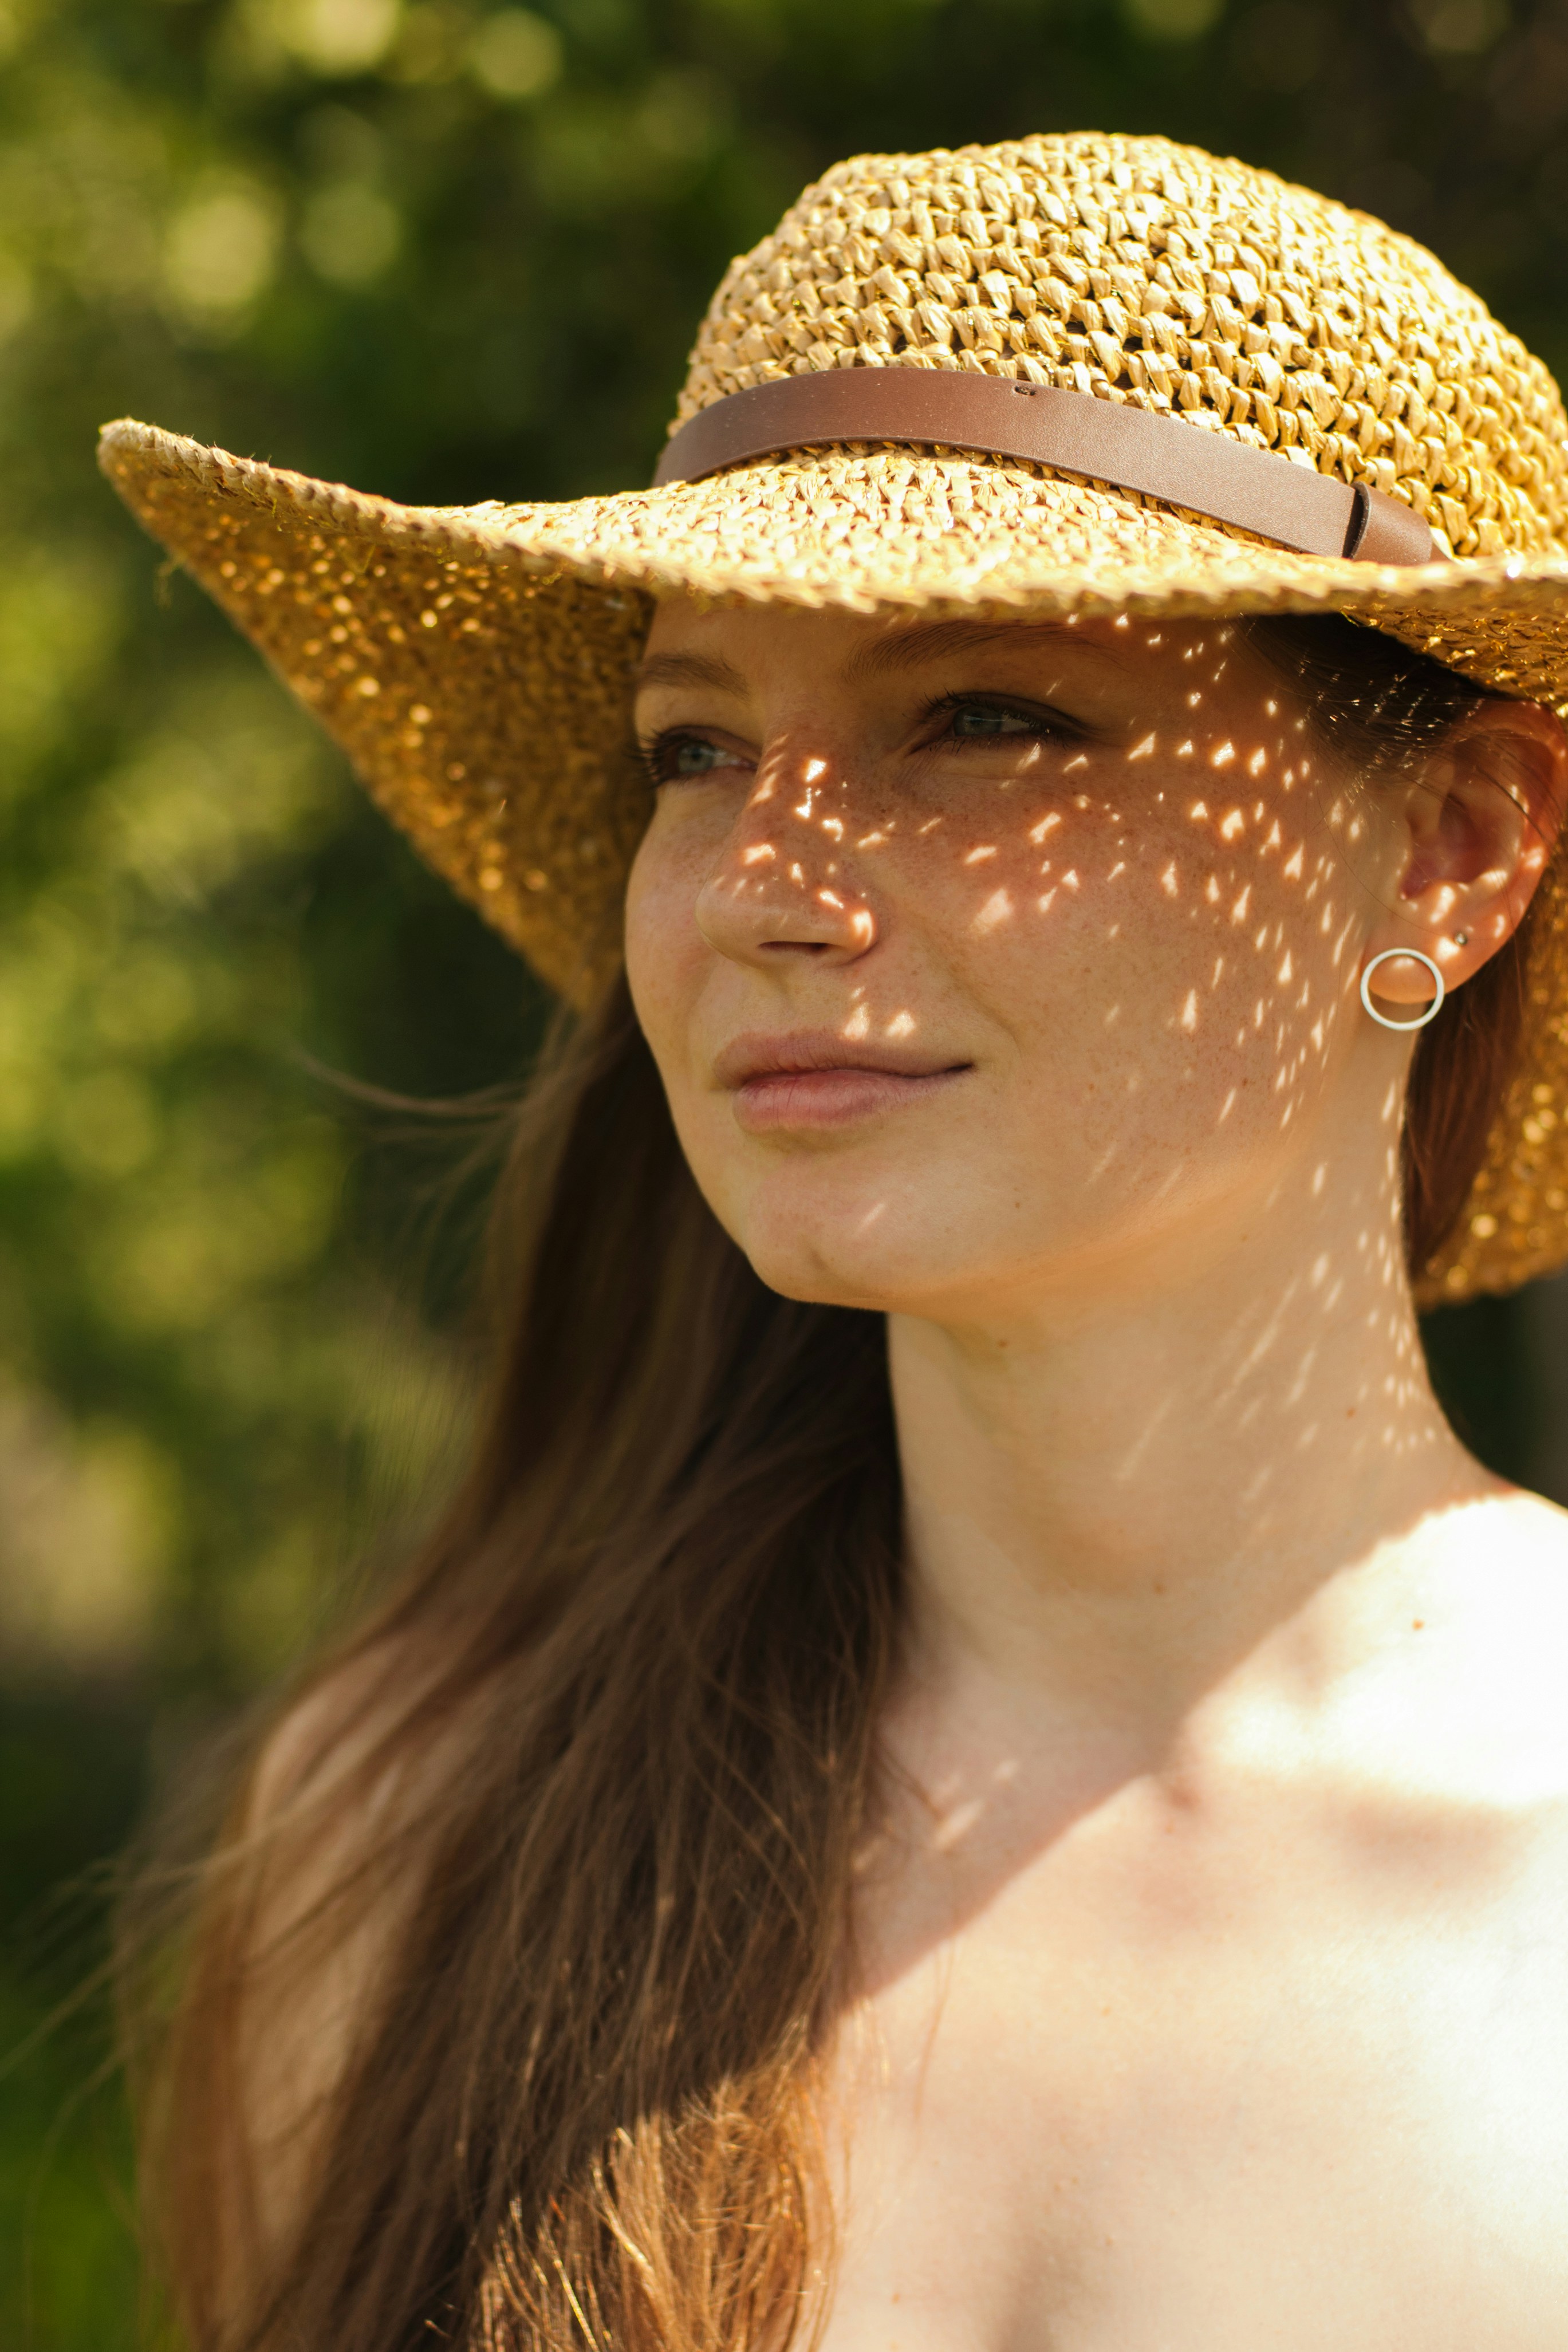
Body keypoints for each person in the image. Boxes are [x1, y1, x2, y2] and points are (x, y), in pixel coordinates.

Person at [101, 129, 1568, 2351]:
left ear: (1452, 847)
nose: (766, 883)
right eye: (693, 745)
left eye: (983, 715)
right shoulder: (417, 1841)